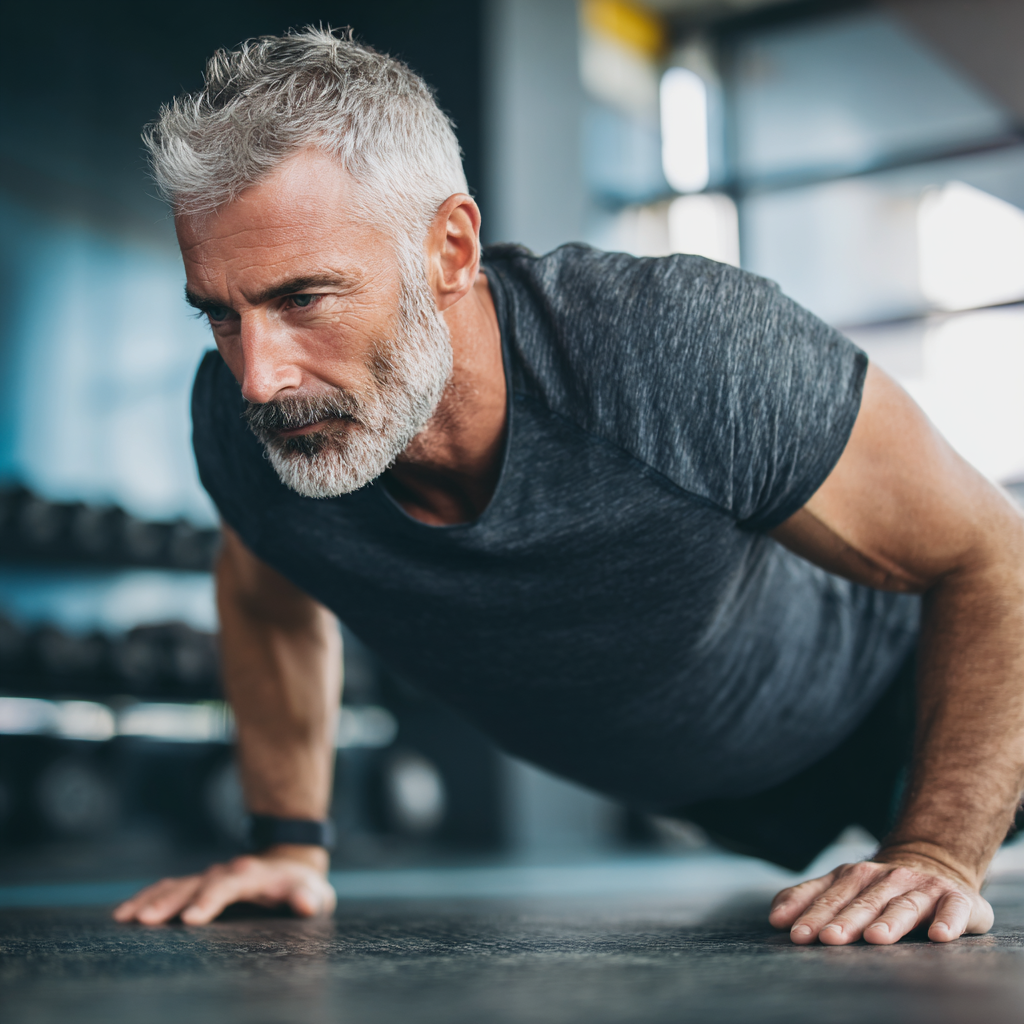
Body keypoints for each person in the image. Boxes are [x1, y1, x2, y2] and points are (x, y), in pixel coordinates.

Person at [114, 28, 1024, 945]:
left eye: (303, 299)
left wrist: (939, 851)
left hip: (936, 700)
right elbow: (267, 582)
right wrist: (288, 843)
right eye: (221, 316)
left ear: (450, 250)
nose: (258, 376)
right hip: (735, 781)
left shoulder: (675, 353)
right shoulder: (251, 428)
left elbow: (994, 556)